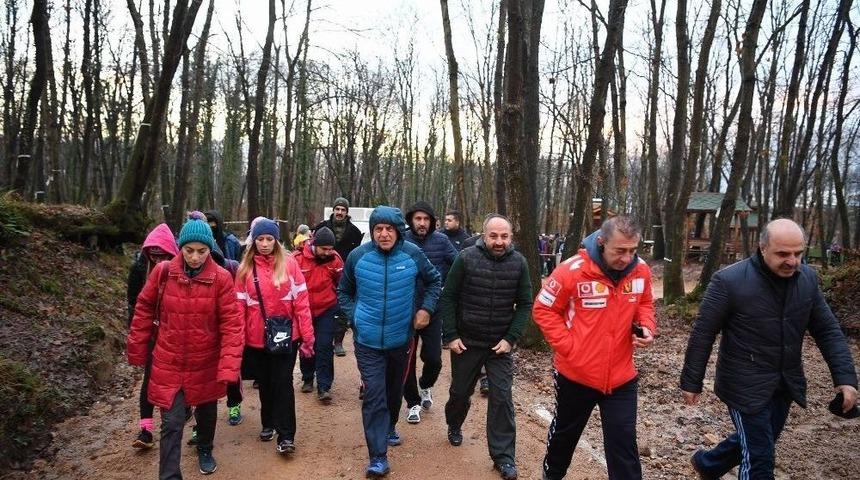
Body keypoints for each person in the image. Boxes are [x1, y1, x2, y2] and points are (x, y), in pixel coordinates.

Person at [680, 218, 858, 479]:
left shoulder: (807, 279)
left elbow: (827, 330)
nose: (793, 261)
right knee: (760, 458)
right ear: (762, 248)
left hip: (785, 381)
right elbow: (703, 332)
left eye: (798, 253)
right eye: (783, 254)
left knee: (761, 439)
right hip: (743, 384)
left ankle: (708, 464)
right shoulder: (728, 281)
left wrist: (845, 379)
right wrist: (692, 380)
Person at [532, 216, 656, 480]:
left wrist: (646, 327)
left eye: (633, 250)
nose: (627, 258)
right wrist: (569, 348)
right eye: (620, 251)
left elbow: (645, 303)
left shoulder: (641, 269)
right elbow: (544, 309)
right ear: (601, 243)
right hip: (576, 374)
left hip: (622, 376)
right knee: (565, 435)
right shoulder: (572, 269)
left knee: (623, 442)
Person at [127, 219, 244, 478]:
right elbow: (144, 307)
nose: (194, 257)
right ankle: (169, 475)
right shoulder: (163, 272)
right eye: (188, 250)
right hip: (169, 361)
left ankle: (205, 448)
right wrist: (137, 347)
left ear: (209, 249)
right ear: (180, 248)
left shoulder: (221, 278)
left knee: (206, 413)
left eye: (201, 251)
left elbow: (232, 325)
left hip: (206, 361)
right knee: (171, 423)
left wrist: (228, 367)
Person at [337, 205, 442, 478]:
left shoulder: (412, 254)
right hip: (367, 341)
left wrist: (425, 309)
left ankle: (391, 425)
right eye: (378, 229)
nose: (383, 234)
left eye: (389, 229)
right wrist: (354, 317)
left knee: (394, 391)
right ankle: (378, 456)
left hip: (401, 339)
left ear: (398, 231)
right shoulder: (358, 257)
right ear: (372, 232)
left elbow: (434, 281)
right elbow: (344, 291)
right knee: (374, 395)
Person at [441, 214, 534, 480]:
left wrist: (511, 338)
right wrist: (451, 335)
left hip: (499, 346)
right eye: (493, 236)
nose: (499, 241)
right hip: (467, 342)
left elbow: (525, 303)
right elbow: (449, 296)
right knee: (460, 393)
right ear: (484, 235)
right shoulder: (466, 258)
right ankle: (454, 423)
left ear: (511, 238)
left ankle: (503, 457)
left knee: (502, 398)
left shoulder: (519, 263)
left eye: (504, 236)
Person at [235, 218, 315, 455]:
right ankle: (267, 422)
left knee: (283, 382)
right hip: (256, 337)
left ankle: (286, 435)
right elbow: (238, 308)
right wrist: (238, 339)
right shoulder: (244, 269)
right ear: (254, 241)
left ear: (276, 241)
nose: (265, 244)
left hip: (286, 336)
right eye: (260, 239)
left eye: (269, 239)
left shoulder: (290, 265)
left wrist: (308, 337)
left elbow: (302, 303)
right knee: (266, 383)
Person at [402, 201, 458, 424]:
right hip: (405, 310)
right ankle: (412, 402)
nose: (422, 223)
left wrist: (449, 289)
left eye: (426, 219)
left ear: (432, 222)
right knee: (406, 361)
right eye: (418, 219)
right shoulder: (402, 240)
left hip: (433, 308)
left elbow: (458, 265)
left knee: (434, 358)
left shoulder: (442, 241)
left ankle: (426, 385)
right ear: (411, 221)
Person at [126, 223, 180, 450]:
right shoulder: (139, 269)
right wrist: (137, 334)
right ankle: (146, 429)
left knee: (179, 381)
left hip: (176, 333)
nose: (159, 261)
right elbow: (134, 303)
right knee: (149, 379)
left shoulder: (180, 270)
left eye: (163, 256)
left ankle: (182, 415)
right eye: (154, 256)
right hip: (151, 333)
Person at [295, 227, 344, 402]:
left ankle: (324, 386)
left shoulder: (335, 260)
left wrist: (340, 306)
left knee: (324, 345)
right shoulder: (297, 260)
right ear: (314, 245)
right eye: (324, 249)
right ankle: (308, 377)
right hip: (303, 310)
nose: (328, 252)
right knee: (307, 343)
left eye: (330, 248)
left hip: (326, 308)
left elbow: (342, 284)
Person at [313, 197, 363, 357]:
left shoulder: (354, 231)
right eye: (338, 209)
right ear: (333, 210)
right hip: (322, 271)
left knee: (342, 307)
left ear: (347, 212)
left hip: (345, 273)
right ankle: (317, 338)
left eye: (343, 210)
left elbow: (357, 254)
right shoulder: (321, 227)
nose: (340, 212)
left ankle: (339, 341)